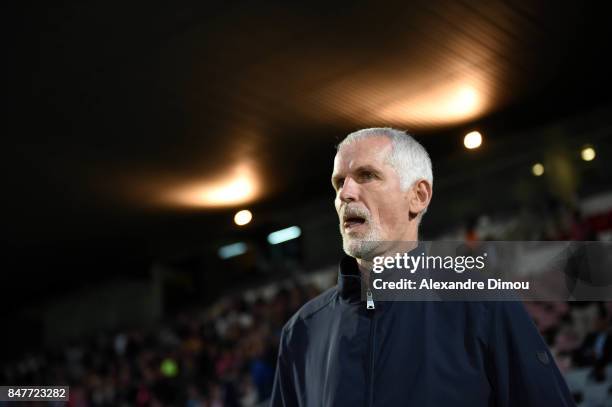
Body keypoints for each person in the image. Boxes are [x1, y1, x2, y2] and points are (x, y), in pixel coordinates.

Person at [270, 128, 575, 406]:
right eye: (339, 182)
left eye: (366, 176)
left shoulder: (483, 304)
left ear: (418, 196)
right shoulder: (302, 332)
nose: (345, 194)